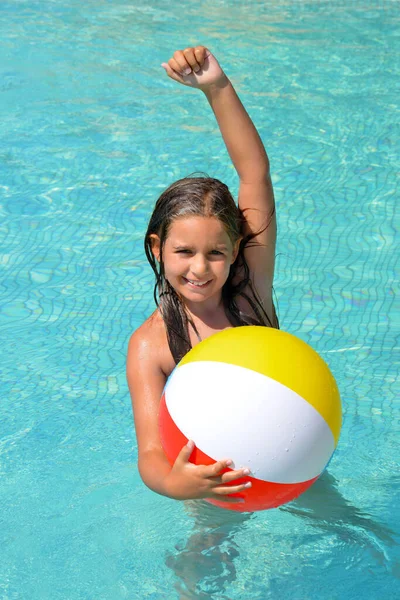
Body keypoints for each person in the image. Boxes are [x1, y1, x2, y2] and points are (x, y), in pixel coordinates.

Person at [126, 45, 279, 506]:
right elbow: (151, 453)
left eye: (215, 252)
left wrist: (217, 87)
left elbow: (254, 172)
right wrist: (176, 484)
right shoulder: (151, 345)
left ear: (236, 249)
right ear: (158, 249)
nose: (199, 268)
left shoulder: (249, 285)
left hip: (289, 452)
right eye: (183, 251)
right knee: (196, 569)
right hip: (212, 479)